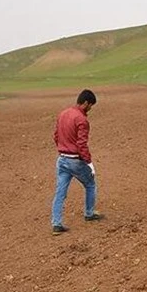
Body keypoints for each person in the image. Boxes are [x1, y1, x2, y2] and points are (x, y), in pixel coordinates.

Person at [50, 89, 104, 235]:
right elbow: (81, 144)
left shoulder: (63, 114)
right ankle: (89, 213)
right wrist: (89, 162)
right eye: (90, 105)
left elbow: (56, 136)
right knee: (90, 184)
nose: (90, 108)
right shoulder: (81, 120)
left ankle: (56, 223)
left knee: (60, 191)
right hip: (75, 160)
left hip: (61, 159)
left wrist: (63, 149)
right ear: (86, 103)